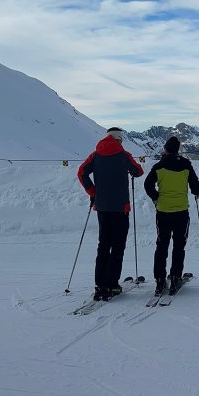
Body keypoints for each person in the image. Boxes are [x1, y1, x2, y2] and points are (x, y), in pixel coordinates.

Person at [75, 127, 146, 301]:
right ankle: (113, 284)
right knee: (118, 246)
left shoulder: (96, 154)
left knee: (103, 245)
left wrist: (93, 192)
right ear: (119, 139)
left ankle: (100, 284)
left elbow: (81, 172)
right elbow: (138, 171)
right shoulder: (124, 155)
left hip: (102, 207)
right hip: (121, 208)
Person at [142, 135, 199, 296]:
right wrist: (196, 192)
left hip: (163, 211)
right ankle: (175, 277)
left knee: (161, 245)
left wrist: (155, 197)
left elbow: (147, 185)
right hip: (181, 211)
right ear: (177, 150)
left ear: (166, 149)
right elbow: (195, 184)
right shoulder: (186, 164)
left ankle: (160, 280)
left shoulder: (159, 166)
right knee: (179, 245)